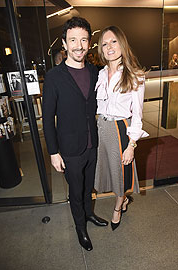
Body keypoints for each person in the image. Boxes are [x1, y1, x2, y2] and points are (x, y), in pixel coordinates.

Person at [42, 17, 108, 251]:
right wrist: (53, 152)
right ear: (64, 43)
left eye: (83, 40)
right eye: (73, 40)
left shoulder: (95, 72)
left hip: (92, 144)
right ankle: (80, 226)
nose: (78, 45)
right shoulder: (53, 77)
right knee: (76, 189)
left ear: (89, 42)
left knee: (88, 185)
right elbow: (48, 119)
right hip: (69, 149)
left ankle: (89, 214)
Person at [94, 26, 149, 231]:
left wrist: (131, 145)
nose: (109, 47)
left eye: (113, 41)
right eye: (105, 43)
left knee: (121, 172)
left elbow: (138, 115)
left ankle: (119, 206)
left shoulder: (135, 75)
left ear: (122, 43)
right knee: (108, 170)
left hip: (120, 129)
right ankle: (122, 200)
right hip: (102, 126)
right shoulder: (100, 74)